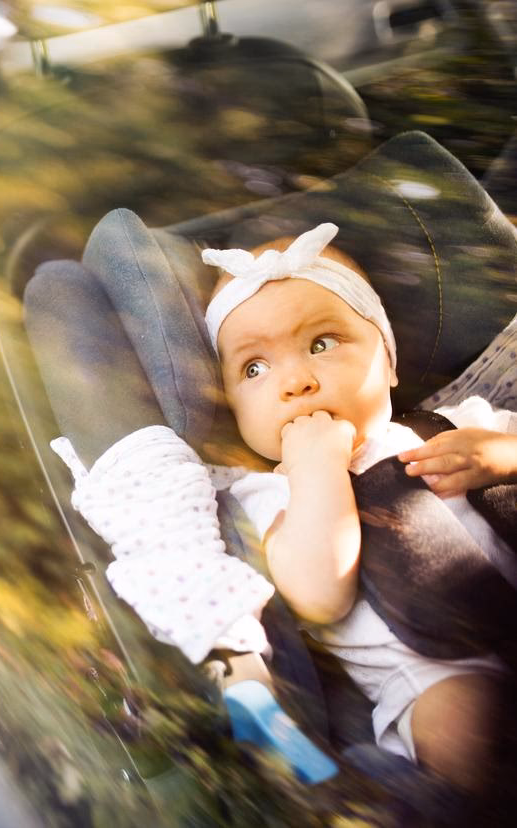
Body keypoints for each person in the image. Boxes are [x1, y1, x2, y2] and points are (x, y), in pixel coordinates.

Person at [201, 222, 517, 793]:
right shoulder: (269, 493)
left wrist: (503, 454)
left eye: (321, 344)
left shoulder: (462, 422)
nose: (295, 380)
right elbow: (321, 595)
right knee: (465, 722)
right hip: (434, 677)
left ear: (389, 361)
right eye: (254, 368)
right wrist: (316, 466)